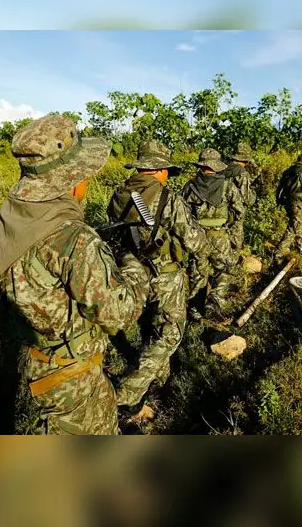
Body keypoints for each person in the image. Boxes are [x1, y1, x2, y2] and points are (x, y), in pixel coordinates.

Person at [0, 114, 152, 435]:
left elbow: (41, 259)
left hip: (35, 361)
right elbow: (118, 315)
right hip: (71, 380)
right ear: (72, 180)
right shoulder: (74, 240)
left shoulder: (12, 216)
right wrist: (135, 264)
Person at [105, 140, 211, 409]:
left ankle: (159, 378)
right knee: (170, 333)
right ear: (160, 169)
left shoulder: (120, 194)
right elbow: (194, 240)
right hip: (164, 273)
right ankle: (128, 392)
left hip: (132, 271)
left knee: (150, 325)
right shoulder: (167, 198)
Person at [181, 148, 246, 318]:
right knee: (224, 269)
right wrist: (231, 227)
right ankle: (216, 299)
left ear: (200, 165)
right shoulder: (227, 185)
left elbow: (182, 214)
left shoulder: (190, 186)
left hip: (197, 237)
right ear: (217, 166)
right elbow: (239, 210)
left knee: (198, 273)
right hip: (220, 235)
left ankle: (195, 310)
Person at [221, 142, 257, 251]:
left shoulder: (224, 168)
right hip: (236, 211)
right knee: (235, 241)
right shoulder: (242, 173)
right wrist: (254, 192)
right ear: (246, 160)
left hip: (220, 209)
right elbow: (248, 199)